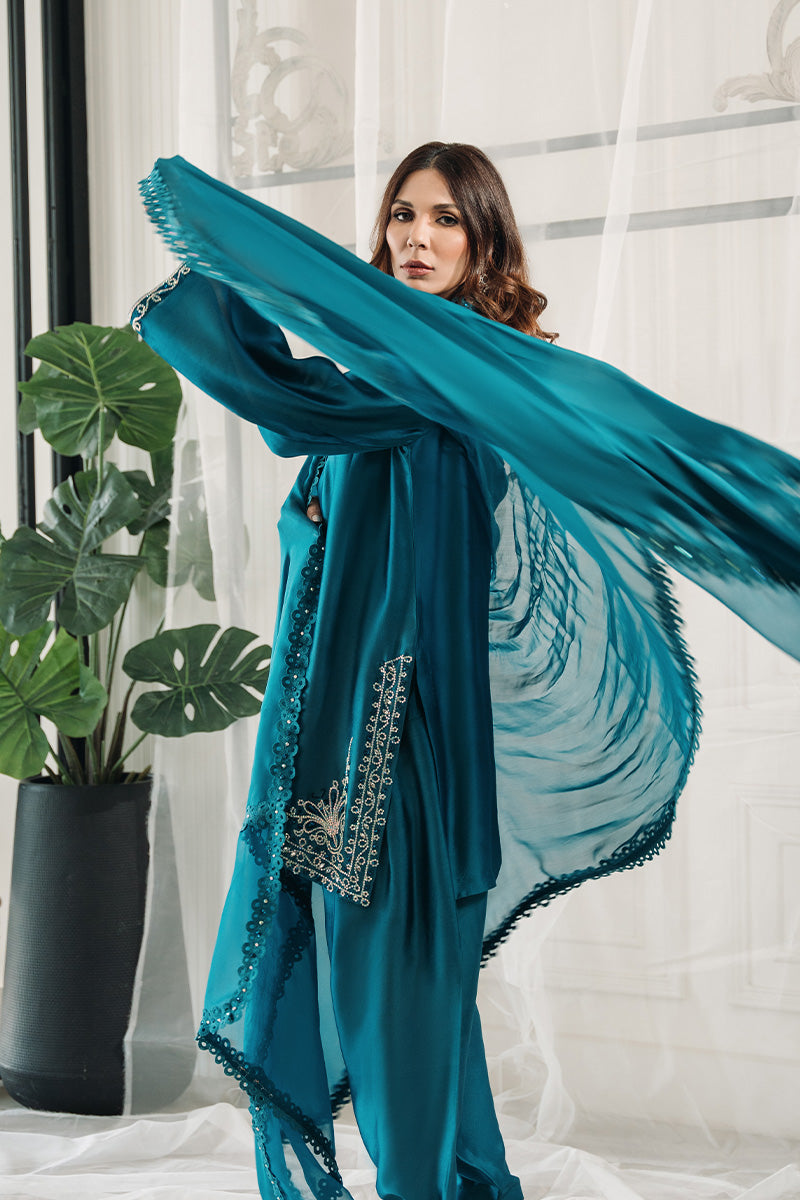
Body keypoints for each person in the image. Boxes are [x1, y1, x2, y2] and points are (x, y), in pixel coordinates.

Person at [132, 143, 800, 1200]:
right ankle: (466, 1184)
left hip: (402, 739)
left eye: (445, 219)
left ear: (483, 240)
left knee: (391, 987)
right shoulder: (392, 376)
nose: (416, 237)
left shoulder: (449, 387)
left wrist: (221, 269)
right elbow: (303, 428)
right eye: (403, 214)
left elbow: (290, 408)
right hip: (355, 729)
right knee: (416, 995)